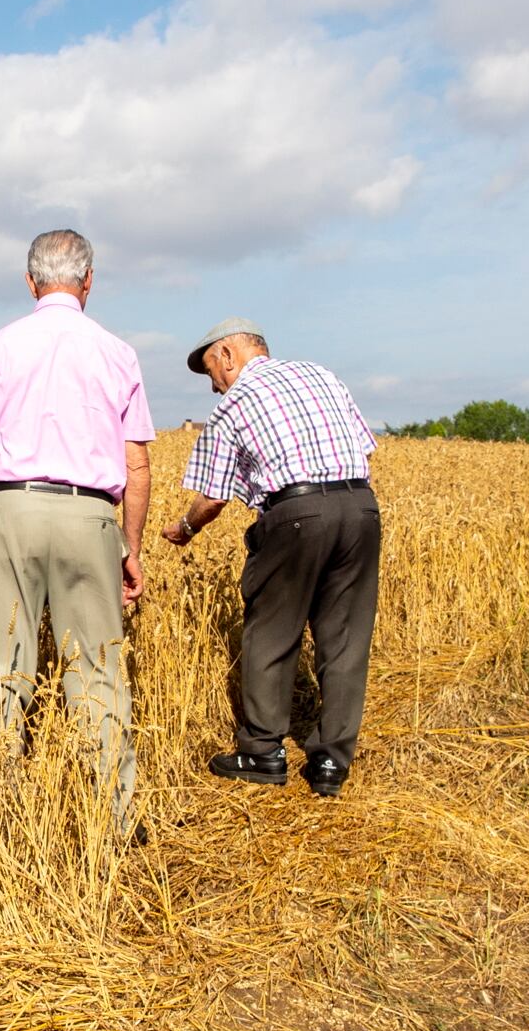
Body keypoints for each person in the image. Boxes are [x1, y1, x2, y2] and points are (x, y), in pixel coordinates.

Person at [0, 229, 154, 820]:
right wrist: (130, 546)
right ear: (89, 280)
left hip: (9, 510)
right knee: (96, 673)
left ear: (29, 281)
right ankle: (113, 822)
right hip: (90, 514)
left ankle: (0, 816)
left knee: (0, 670)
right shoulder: (118, 352)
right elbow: (138, 463)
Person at [160, 318, 380, 798]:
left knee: (271, 630)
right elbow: (365, 448)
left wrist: (185, 528)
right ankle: (330, 763)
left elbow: (213, 498)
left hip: (296, 513)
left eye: (210, 372)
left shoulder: (235, 403)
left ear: (228, 355)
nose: (213, 386)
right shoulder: (321, 375)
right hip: (361, 507)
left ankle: (262, 752)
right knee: (344, 638)